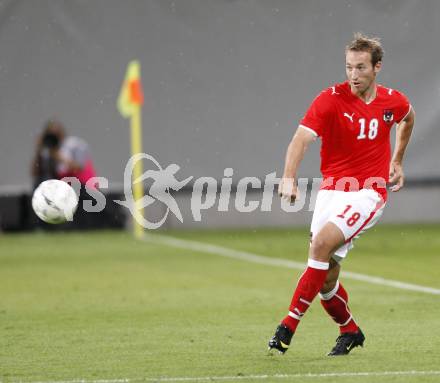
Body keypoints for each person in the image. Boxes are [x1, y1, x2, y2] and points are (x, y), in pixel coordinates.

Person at [268, 33, 415, 356]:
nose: (353, 75)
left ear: (377, 67)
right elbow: (300, 139)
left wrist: (397, 161)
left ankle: (287, 327)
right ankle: (349, 330)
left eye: (361, 68)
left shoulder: (392, 101)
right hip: (332, 191)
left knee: (320, 246)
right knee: (325, 278)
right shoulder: (330, 99)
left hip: (368, 193)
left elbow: (407, 117)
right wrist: (288, 178)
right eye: (349, 67)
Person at [31, 119, 97, 228]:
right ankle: (42, 225)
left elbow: (78, 168)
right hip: (61, 186)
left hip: (81, 184)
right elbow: (35, 172)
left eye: (57, 133)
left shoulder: (74, 145)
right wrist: (38, 150)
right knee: (40, 184)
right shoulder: (46, 150)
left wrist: (57, 155)